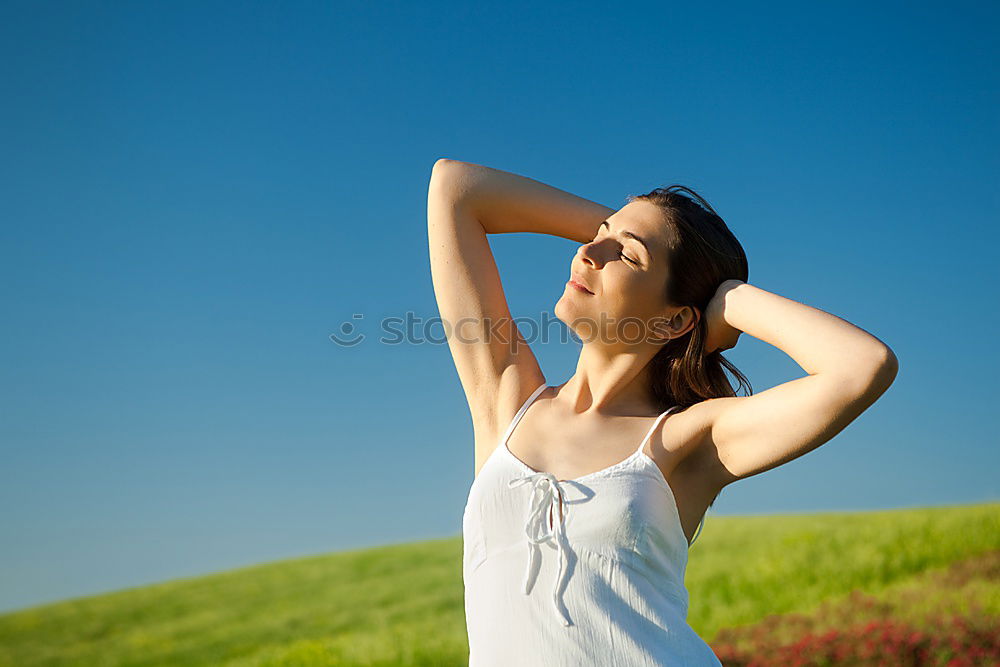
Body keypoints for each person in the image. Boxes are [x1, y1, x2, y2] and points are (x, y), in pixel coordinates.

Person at [426, 159, 898, 666]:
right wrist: (628, 227)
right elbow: (455, 189)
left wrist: (728, 300)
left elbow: (862, 366)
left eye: (625, 255)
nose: (587, 252)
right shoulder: (506, 399)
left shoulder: (686, 440)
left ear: (675, 318)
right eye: (596, 236)